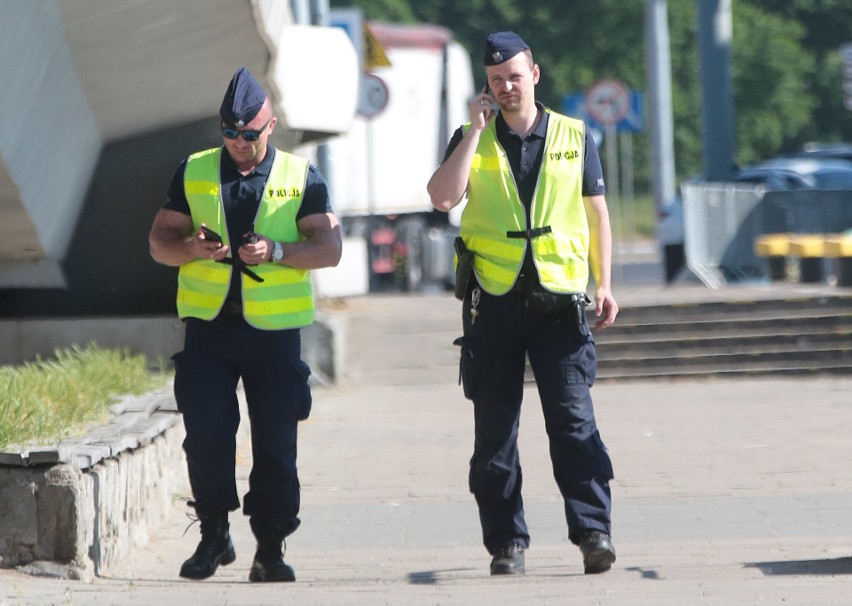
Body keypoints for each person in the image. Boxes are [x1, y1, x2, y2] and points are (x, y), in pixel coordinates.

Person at [427, 32, 619, 576]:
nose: (506, 87)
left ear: (534, 75)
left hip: (559, 303)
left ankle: (593, 532)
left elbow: (597, 213)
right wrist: (474, 133)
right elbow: (442, 197)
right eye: (495, 81)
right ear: (484, 88)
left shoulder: (574, 135)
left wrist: (604, 284)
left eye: (514, 76)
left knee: (574, 423)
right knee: (494, 432)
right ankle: (506, 543)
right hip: (494, 302)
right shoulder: (470, 136)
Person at [148, 66, 342, 583]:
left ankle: (271, 548)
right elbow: (159, 241)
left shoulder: (301, 176)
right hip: (209, 331)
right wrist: (191, 248)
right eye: (230, 133)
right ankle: (214, 535)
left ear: (270, 126)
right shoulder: (193, 170)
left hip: (274, 335)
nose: (239, 142)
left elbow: (330, 249)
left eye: (249, 134)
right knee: (207, 436)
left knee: (276, 442)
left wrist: (277, 251)